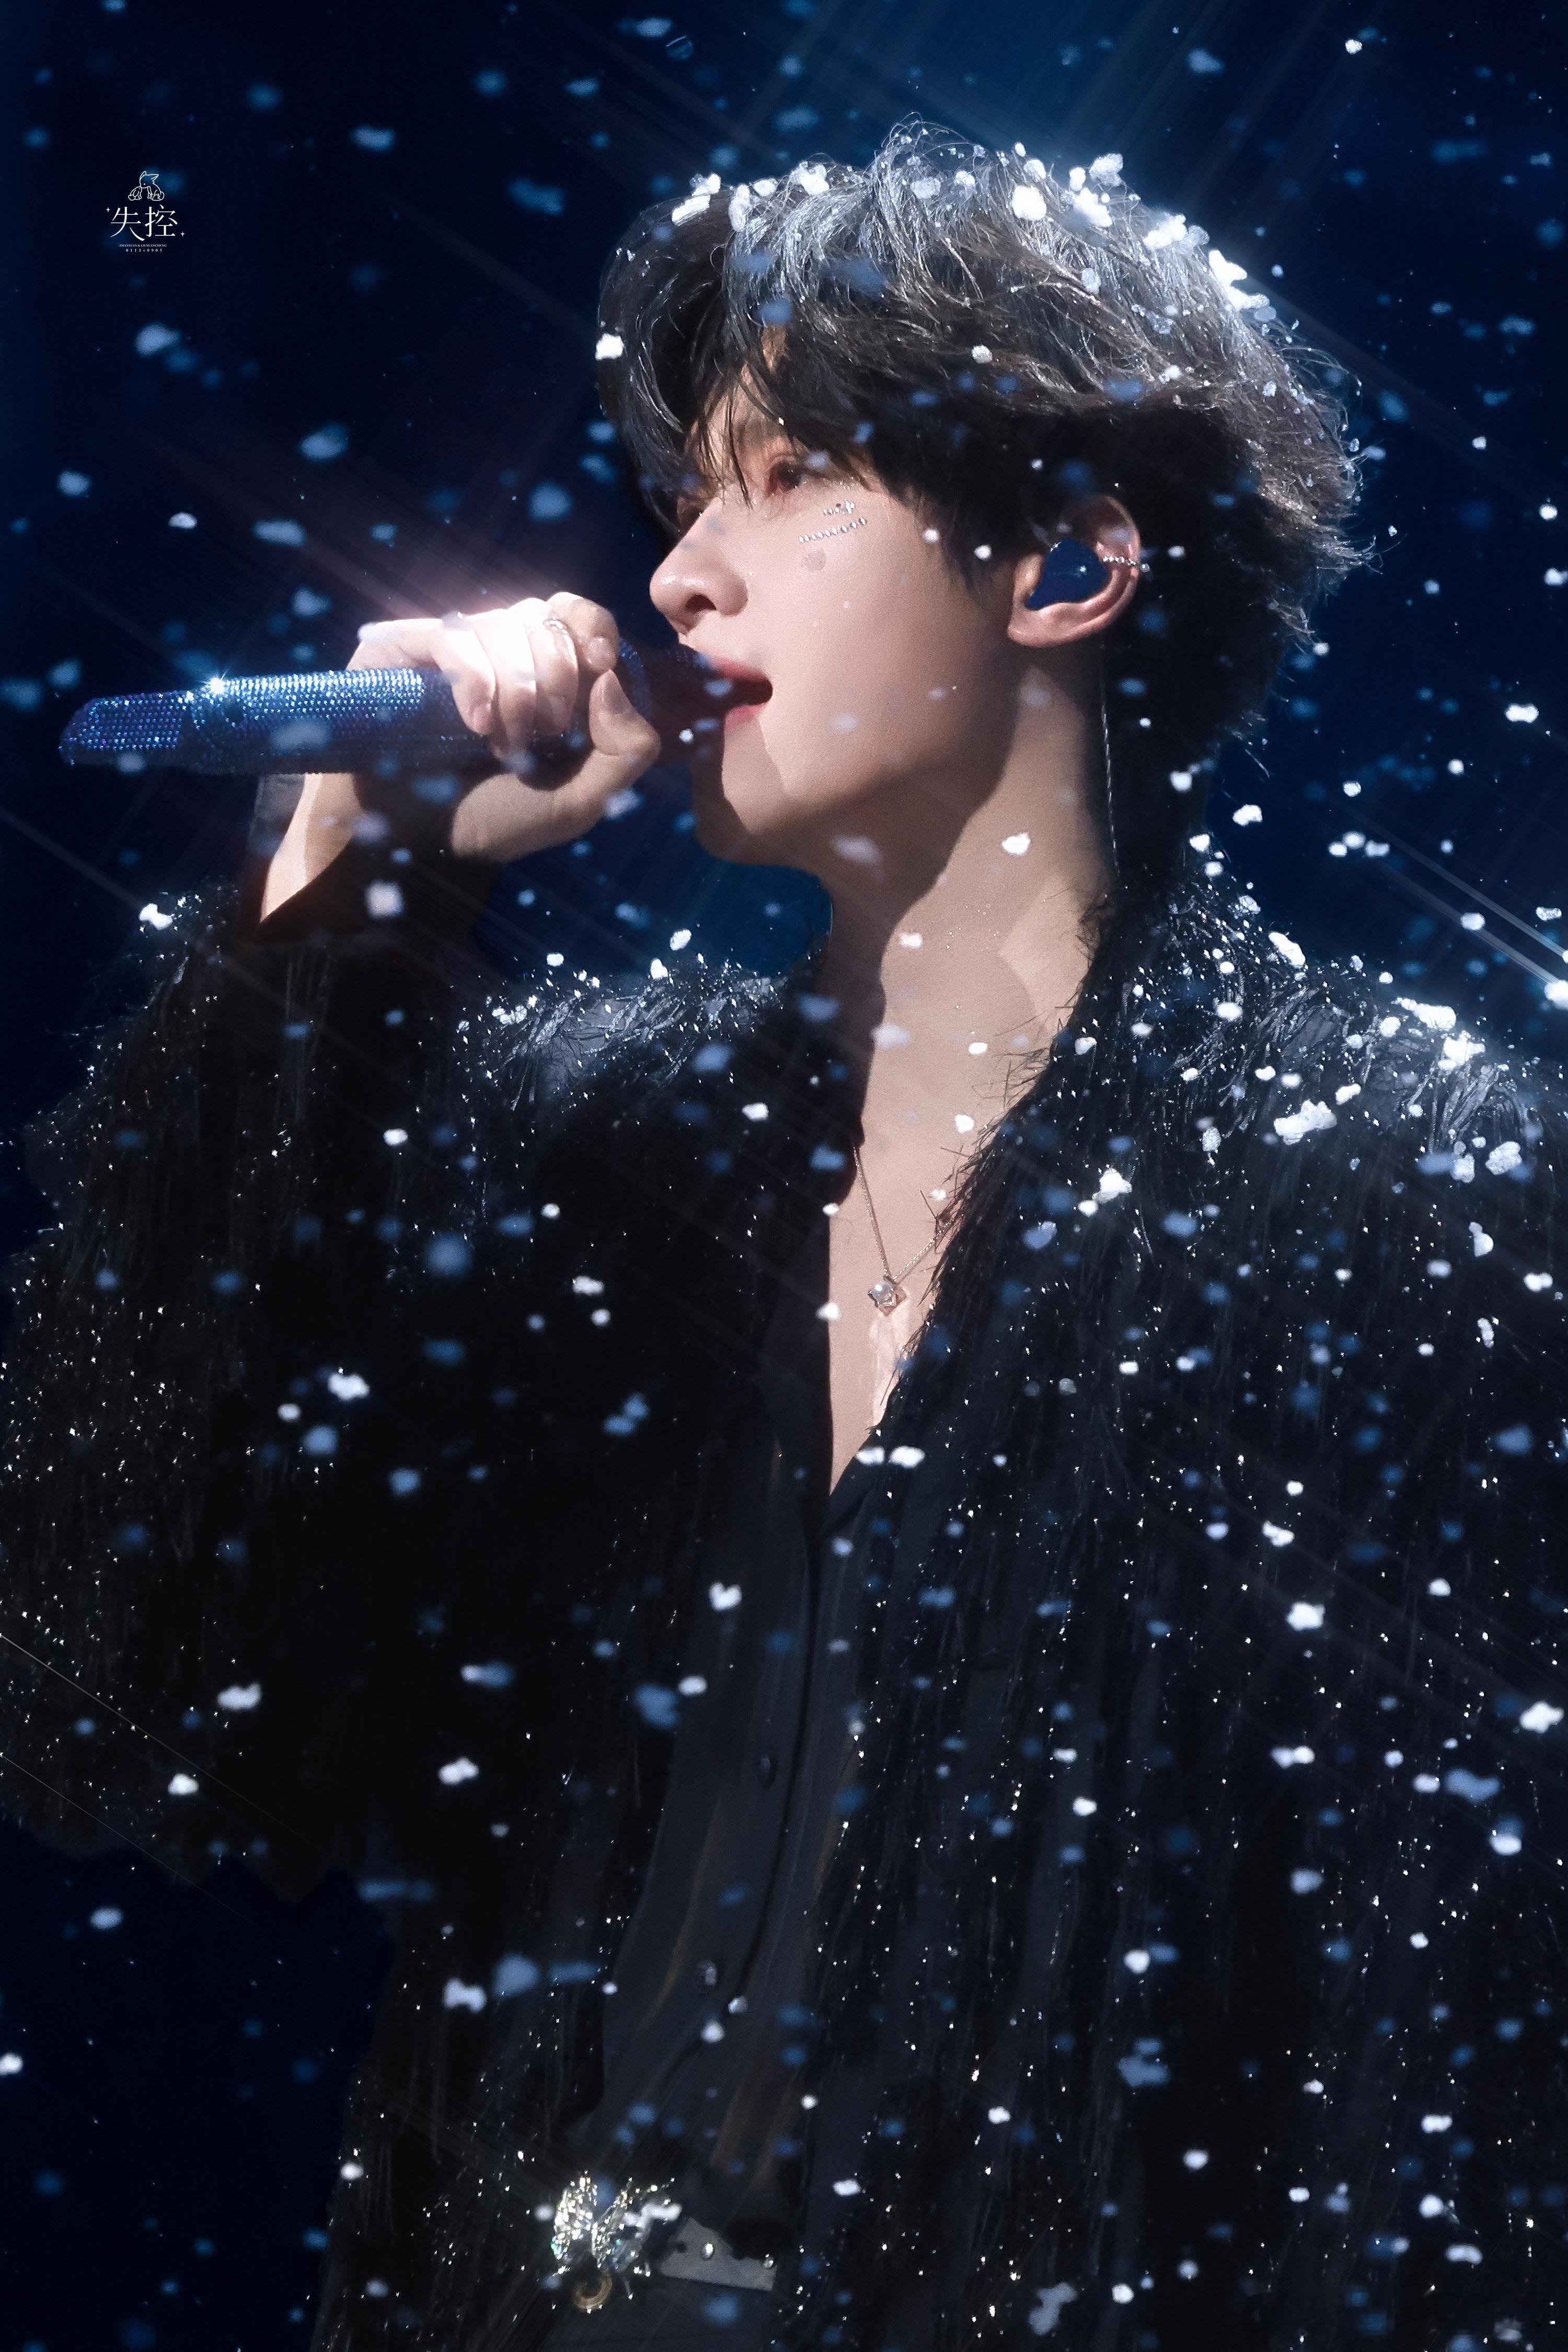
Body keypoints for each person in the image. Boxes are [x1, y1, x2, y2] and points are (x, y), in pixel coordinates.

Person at [3, 120, 1563, 2351]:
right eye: (686, 497)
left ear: (1069, 563)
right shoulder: (594, 1152)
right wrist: (339, 898)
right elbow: (130, 1679)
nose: (678, 580)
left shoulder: (1415, 1194)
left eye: (791, 476)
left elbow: (1442, 2072)